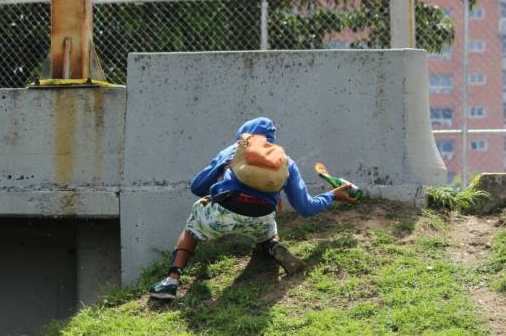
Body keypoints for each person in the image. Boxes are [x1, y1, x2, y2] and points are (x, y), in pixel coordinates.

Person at [148, 117, 357, 300]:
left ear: (244, 134)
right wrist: (333, 195)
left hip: (222, 213)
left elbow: (196, 187)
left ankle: (171, 280)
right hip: (261, 217)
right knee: (270, 225)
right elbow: (305, 208)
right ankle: (272, 245)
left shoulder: (233, 150)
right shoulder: (285, 161)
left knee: (194, 222)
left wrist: (222, 176)